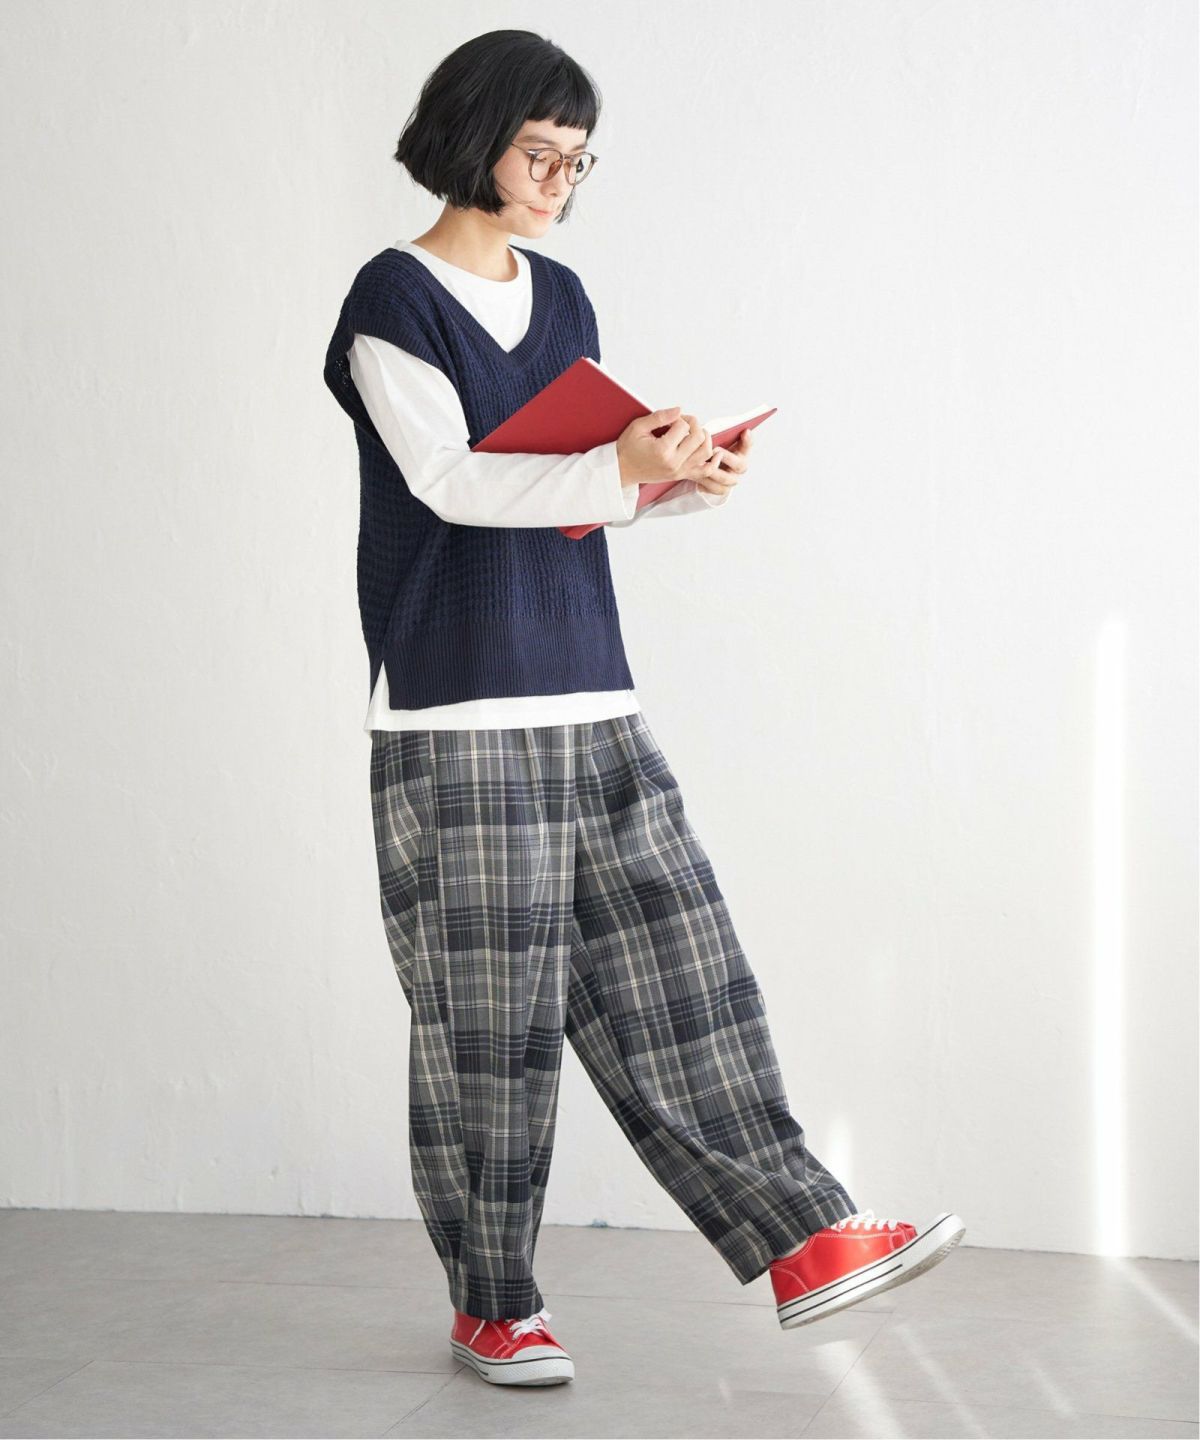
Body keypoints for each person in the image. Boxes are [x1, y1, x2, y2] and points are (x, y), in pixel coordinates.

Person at [322, 28, 965, 1389]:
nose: (562, 182)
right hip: (456, 705)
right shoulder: (392, 298)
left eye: (579, 160)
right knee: (491, 1026)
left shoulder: (563, 299)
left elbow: (572, 495)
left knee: (683, 972)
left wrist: (672, 481)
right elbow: (452, 484)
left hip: (589, 680)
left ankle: (806, 1240)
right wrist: (618, 467)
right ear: (472, 138)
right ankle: (495, 1305)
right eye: (541, 154)